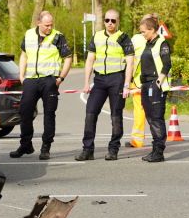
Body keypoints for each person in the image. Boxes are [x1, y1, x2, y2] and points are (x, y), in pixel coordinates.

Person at [9, 11, 73, 160]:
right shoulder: (29, 34)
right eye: (46, 25)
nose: (49, 28)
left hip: (49, 80)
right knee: (24, 112)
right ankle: (25, 145)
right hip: (31, 80)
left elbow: (68, 58)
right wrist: (21, 76)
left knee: (49, 115)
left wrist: (60, 78)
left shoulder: (58, 36)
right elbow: (24, 55)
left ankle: (46, 147)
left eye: (51, 25)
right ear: (38, 23)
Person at [75, 9, 135, 161]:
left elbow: (130, 62)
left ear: (117, 21)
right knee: (90, 112)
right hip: (100, 80)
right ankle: (88, 150)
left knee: (116, 115)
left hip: (117, 79)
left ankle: (113, 149)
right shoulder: (97, 36)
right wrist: (86, 83)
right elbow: (89, 60)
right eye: (107, 20)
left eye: (113, 21)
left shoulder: (123, 37)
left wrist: (127, 85)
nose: (110, 23)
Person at [133, 15, 171, 162]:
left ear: (152, 29)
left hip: (156, 86)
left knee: (156, 118)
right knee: (150, 118)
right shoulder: (148, 44)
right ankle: (154, 149)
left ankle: (159, 152)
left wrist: (158, 82)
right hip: (145, 84)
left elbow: (167, 64)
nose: (142, 34)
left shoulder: (162, 43)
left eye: (143, 32)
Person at [125, 13, 156, 149]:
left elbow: (128, 60)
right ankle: (158, 138)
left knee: (140, 110)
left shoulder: (136, 39)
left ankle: (137, 140)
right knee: (154, 110)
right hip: (154, 81)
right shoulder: (158, 40)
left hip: (138, 82)